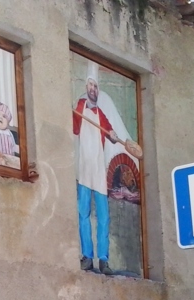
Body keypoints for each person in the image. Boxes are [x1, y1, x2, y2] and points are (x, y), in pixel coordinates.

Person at [73, 62, 119, 275]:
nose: (93, 89)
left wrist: (112, 135)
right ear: (86, 87)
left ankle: (103, 259)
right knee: (83, 213)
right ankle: (87, 256)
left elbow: (110, 131)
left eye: (96, 87)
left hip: (99, 171)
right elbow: (74, 128)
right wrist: (75, 111)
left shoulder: (101, 113)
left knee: (103, 216)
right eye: (90, 85)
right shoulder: (80, 107)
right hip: (84, 169)